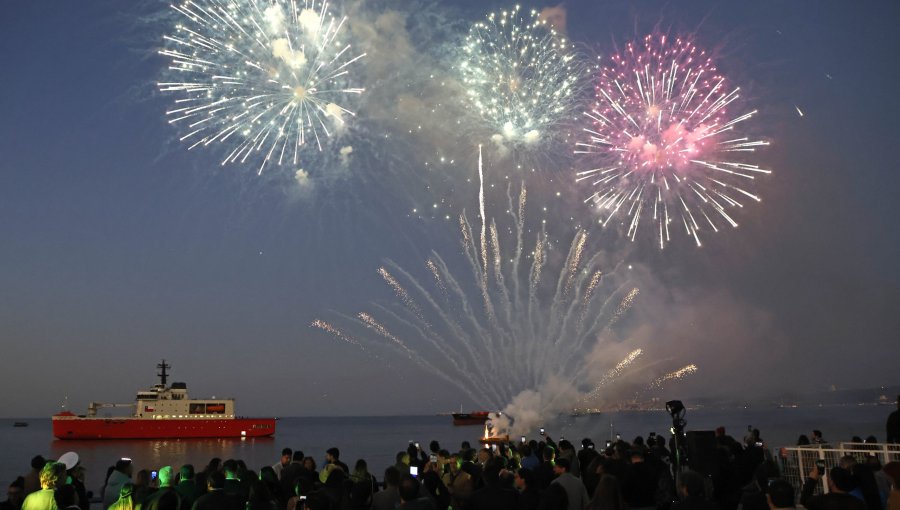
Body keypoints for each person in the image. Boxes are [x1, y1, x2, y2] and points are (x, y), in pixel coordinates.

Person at [801, 466, 866, 510]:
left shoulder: (823, 501)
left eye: (829, 478)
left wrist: (812, 479)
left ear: (832, 482)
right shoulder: (858, 503)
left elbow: (805, 500)